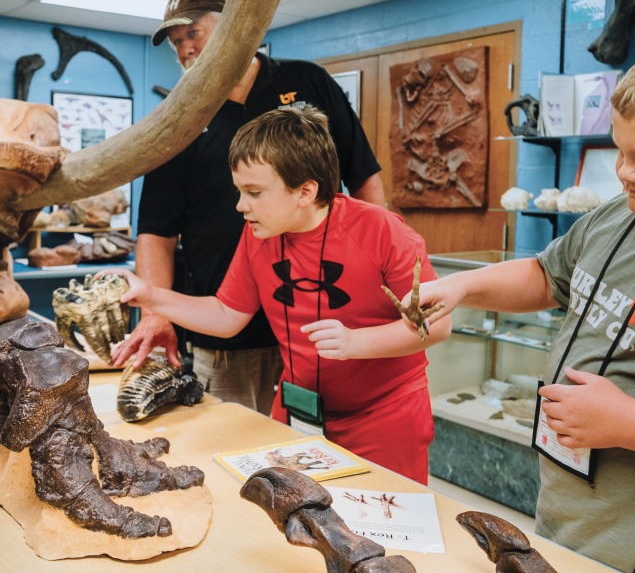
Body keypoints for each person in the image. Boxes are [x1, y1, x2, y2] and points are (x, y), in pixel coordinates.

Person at [402, 25, 635, 572]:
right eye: (620, 151)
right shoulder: (618, 212)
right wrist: (463, 285)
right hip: (577, 523)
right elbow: (547, 275)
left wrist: (629, 423)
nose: (625, 172)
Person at [108, 105, 450, 483]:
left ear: (305, 191)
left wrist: (356, 341)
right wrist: (151, 296)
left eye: (254, 192)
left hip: (385, 415)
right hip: (300, 409)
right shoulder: (258, 236)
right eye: (239, 191)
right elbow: (225, 315)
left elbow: (436, 326)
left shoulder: (383, 232)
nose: (241, 206)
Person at [113, 0, 386, 416]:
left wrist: (381, 268)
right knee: (231, 454)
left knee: (325, 456)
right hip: (226, 330)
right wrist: (156, 314)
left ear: (234, 26)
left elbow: (363, 176)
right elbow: (157, 229)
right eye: (176, 42)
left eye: (193, 34)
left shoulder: (307, 81)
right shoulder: (177, 118)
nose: (184, 49)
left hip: (321, 319)